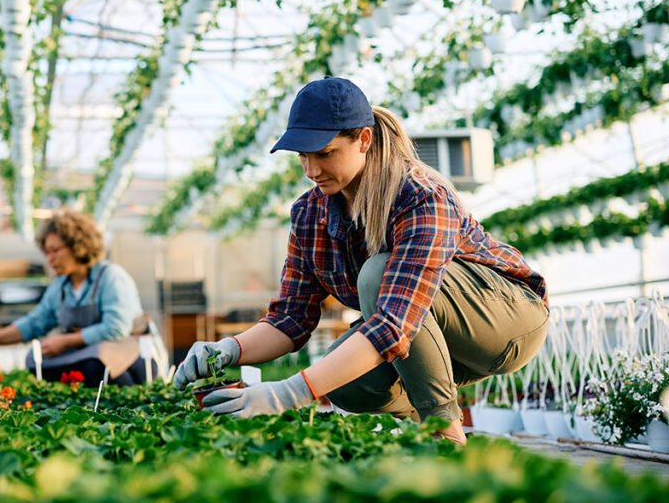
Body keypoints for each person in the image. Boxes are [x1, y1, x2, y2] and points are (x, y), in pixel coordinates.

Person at [174, 77, 549, 444]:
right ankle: (413, 431)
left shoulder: (420, 196)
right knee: (344, 381)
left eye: (324, 153)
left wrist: (284, 395)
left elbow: (394, 323)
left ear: (363, 140)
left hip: (505, 322)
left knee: (377, 275)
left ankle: (444, 435)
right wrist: (227, 349)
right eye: (303, 156)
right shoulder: (310, 214)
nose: (311, 170)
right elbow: (290, 318)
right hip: (434, 341)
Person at [0, 209, 152, 386]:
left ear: (78, 245)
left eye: (55, 251)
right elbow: (35, 322)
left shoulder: (110, 277)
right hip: (89, 356)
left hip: (129, 358)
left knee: (94, 367)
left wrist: (66, 341)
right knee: (35, 360)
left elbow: (116, 328)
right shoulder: (60, 285)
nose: (50, 259)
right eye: (46, 253)